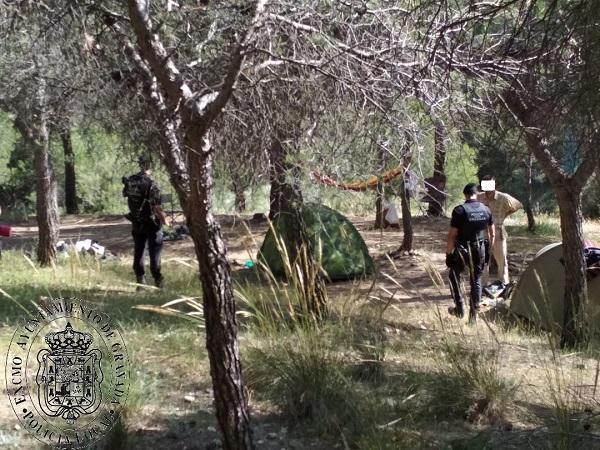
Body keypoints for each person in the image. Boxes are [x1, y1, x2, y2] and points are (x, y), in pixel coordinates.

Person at [446, 183, 495, 323]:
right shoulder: (486, 209)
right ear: (476, 193)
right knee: (476, 280)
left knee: (453, 275)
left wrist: (449, 254)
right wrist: (488, 251)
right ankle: (473, 316)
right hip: (480, 248)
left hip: (462, 249)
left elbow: (452, 235)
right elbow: (492, 233)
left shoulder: (459, 211)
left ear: (465, 194)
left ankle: (460, 307)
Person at [122, 155, 167, 289]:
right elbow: (156, 206)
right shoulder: (151, 183)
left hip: (136, 222)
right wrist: (165, 220)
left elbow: (126, 195)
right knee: (155, 252)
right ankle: (158, 279)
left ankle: (140, 281)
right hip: (151, 223)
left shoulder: (131, 181)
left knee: (139, 250)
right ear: (150, 166)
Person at [477, 175, 522, 284]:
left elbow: (518, 205)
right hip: (482, 232)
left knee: (501, 261)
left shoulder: (503, 197)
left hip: (498, 232)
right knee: (483, 260)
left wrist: (504, 215)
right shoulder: (479, 197)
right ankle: (483, 287)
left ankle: (504, 284)